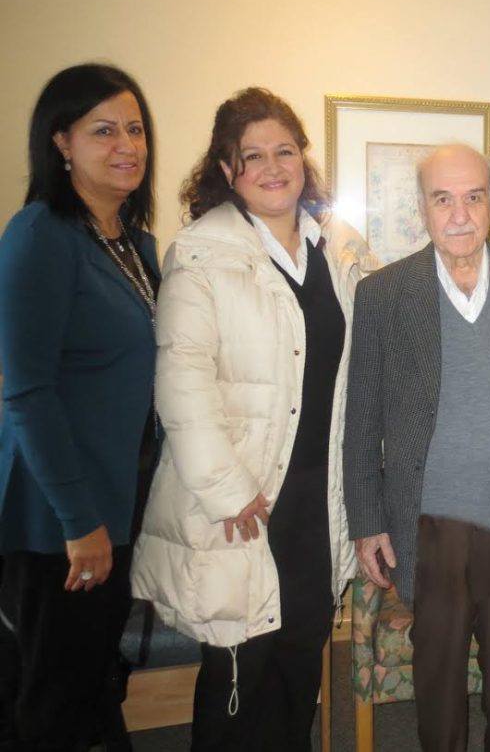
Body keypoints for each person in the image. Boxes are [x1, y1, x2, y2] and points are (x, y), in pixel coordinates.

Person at [130, 88, 376, 752]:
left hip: (318, 497)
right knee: (240, 671)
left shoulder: (339, 249)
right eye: (254, 156)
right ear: (227, 170)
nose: (273, 167)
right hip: (246, 500)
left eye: (285, 151)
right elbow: (181, 381)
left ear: (304, 158)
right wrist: (227, 489)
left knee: (300, 661)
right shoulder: (201, 253)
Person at [343, 144, 490, 751]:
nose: (460, 214)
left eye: (474, 197)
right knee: (438, 679)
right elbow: (361, 418)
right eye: (443, 199)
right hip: (427, 523)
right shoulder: (384, 295)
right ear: (422, 208)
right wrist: (368, 522)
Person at [0, 63, 159, 752]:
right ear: (61, 142)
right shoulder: (41, 234)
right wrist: (78, 520)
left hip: (117, 500)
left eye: (135, 129)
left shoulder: (134, 244)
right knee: (55, 699)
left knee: (95, 680)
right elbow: (27, 390)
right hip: (60, 519)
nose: (126, 145)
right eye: (103, 131)